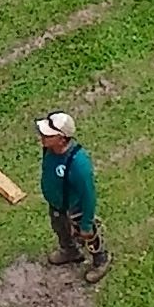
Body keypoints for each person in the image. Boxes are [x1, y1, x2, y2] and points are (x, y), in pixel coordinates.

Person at [37, 109, 109, 283]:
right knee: (60, 228)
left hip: (75, 207)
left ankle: (100, 259)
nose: (42, 136)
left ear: (62, 139)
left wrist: (86, 223)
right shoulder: (49, 150)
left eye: (48, 134)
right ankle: (70, 250)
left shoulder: (78, 163)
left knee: (88, 234)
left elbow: (88, 195)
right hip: (57, 204)